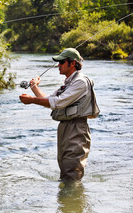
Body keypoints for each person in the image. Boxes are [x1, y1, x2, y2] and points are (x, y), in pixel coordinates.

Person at [19, 48, 99, 182]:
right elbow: (49, 100)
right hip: (65, 129)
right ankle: (66, 202)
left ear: (72, 63)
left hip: (77, 129)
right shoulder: (69, 84)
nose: (58, 65)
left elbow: (57, 102)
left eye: (61, 62)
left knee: (71, 174)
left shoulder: (81, 82)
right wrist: (34, 87)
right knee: (65, 171)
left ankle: (74, 201)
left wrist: (32, 100)